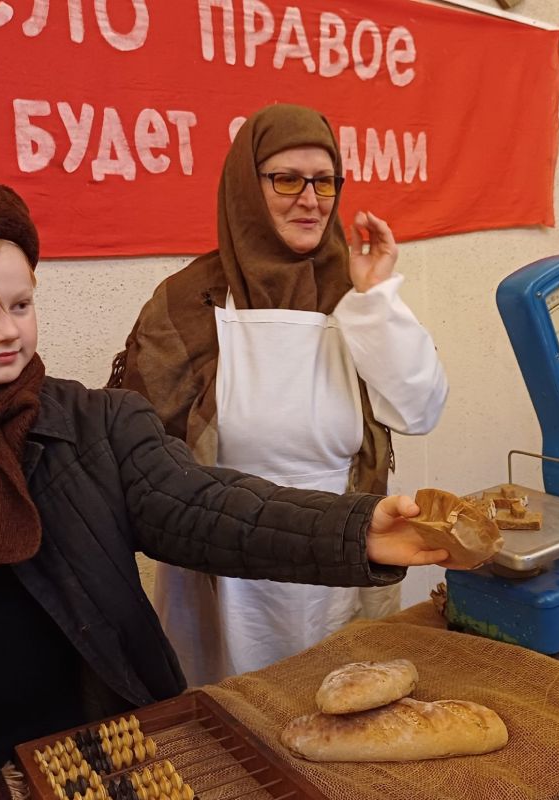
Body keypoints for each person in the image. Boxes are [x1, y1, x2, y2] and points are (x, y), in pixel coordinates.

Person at [0, 174, 459, 799]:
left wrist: (356, 530)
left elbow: (206, 507)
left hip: (100, 749)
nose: (8, 330)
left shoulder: (98, 424)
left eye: (21, 304)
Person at [109, 104, 448, 681]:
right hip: (224, 572)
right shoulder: (189, 301)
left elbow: (419, 409)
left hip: (342, 554)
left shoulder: (355, 294)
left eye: (324, 181)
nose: (310, 199)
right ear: (246, 187)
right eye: (286, 179)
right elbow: (140, 462)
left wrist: (376, 299)